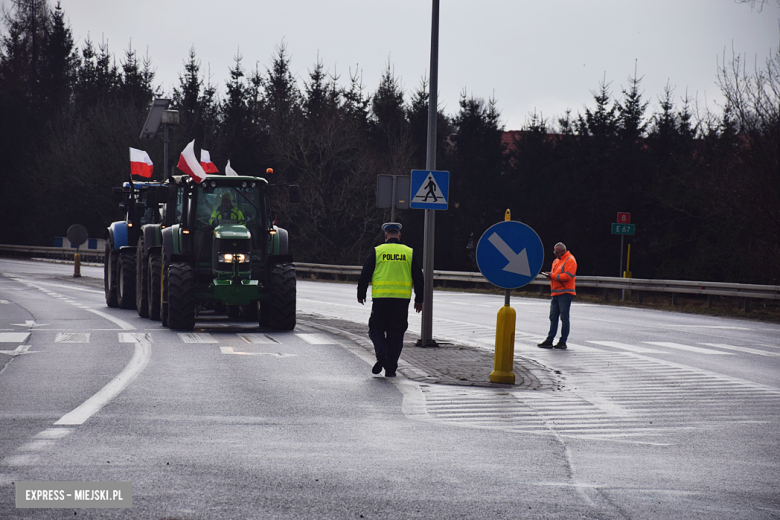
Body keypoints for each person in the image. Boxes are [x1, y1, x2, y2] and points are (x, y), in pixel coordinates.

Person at [357, 222, 424, 377]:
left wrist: (361, 294)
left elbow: (365, 274)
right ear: (399, 236)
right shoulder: (408, 252)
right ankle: (391, 368)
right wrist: (419, 299)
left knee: (376, 328)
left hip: (381, 299)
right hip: (401, 300)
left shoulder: (378, 251)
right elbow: (419, 278)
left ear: (385, 236)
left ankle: (382, 355)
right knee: (396, 332)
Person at [538, 242, 577, 350]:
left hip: (565, 293)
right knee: (553, 317)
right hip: (555, 293)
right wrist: (549, 276)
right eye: (554, 252)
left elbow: (567, 276)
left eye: (557, 252)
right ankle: (549, 340)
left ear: (563, 251)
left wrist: (552, 275)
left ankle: (562, 341)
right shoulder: (556, 261)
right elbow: (555, 276)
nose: (555, 254)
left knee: (564, 317)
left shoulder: (570, 260)